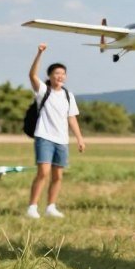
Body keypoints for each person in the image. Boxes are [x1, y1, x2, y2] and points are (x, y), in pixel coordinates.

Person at [26, 43, 85, 219]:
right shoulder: (43, 90)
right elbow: (32, 75)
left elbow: (72, 118)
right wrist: (39, 53)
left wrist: (80, 139)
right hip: (44, 137)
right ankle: (32, 207)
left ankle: (51, 206)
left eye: (62, 73)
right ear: (50, 76)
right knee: (43, 173)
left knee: (58, 175)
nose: (60, 76)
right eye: (56, 73)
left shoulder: (68, 95)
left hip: (62, 140)